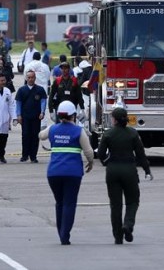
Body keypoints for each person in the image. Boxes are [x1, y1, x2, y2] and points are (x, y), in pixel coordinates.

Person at [38, 101, 94, 245]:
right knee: (69, 203)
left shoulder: (53, 128)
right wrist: (90, 162)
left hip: (54, 173)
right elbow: (88, 151)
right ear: (73, 115)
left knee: (60, 203)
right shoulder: (78, 131)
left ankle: (60, 232)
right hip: (73, 173)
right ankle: (65, 235)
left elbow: (41, 135)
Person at [97, 107, 152, 245]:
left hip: (113, 170)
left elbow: (101, 154)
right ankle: (128, 225)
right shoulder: (133, 133)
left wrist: (107, 163)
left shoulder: (108, 134)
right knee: (133, 201)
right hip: (129, 170)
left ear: (114, 120)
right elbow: (140, 154)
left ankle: (118, 236)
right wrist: (147, 170)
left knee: (115, 205)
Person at [16, 70, 47, 163]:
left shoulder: (40, 90)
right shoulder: (21, 90)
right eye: (28, 77)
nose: (30, 79)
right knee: (25, 135)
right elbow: (18, 103)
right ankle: (24, 155)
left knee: (34, 136)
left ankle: (33, 156)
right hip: (25, 117)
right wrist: (18, 115)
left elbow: (43, 101)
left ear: (35, 78)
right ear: (26, 78)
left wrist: (42, 112)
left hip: (36, 117)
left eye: (32, 77)